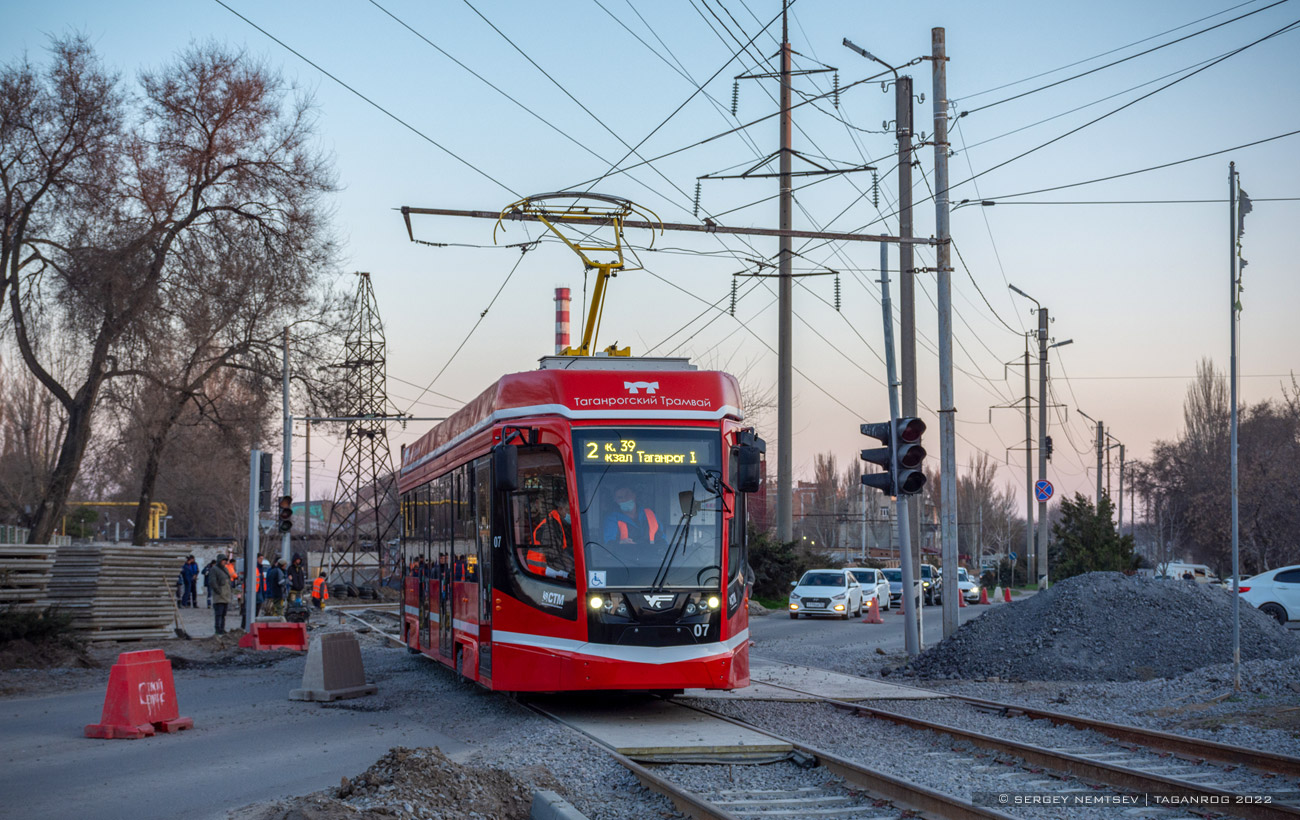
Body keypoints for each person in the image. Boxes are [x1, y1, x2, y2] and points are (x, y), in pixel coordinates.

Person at [523, 498, 572, 580]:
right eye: (568, 510)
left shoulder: (556, 522)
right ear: (560, 509)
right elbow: (552, 555)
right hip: (542, 571)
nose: (570, 514)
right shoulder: (551, 526)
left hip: (541, 569)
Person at [209, 556, 233, 635]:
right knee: (218, 614)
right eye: (223, 560)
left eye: (225, 560)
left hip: (225, 595)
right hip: (219, 596)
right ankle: (218, 629)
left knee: (223, 614)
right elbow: (212, 582)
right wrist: (218, 591)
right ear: (219, 561)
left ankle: (222, 629)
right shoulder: (214, 569)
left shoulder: (225, 569)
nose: (224, 562)